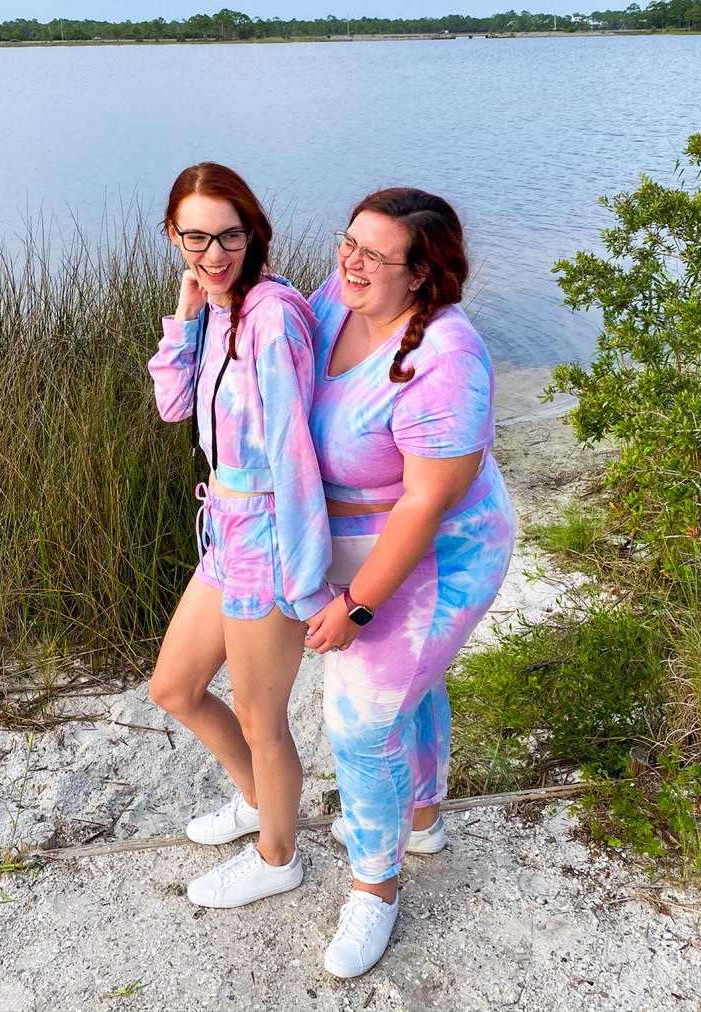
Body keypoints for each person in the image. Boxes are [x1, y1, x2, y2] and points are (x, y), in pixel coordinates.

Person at [304, 188, 516, 978]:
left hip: (440, 556)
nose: (349, 261)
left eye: (373, 254)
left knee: (362, 724)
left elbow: (426, 503)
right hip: (371, 542)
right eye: (348, 241)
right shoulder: (341, 298)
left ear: (422, 274)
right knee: (410, 693)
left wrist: (358, 605)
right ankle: (420, 821)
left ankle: (376, 891)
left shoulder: (446, 360)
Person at [147, 162, 332, 909]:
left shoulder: (273, 317)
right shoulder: (217, 307)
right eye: (196, 237)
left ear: (252, 231)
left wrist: (307, 579)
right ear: (174, 236)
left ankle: (278, 856)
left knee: (261, 717)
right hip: (223, 529)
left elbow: (294, 455)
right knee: (174, 687)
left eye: (229, 236)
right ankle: (259, 803)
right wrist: (186, 311)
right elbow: (173, 406)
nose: (214, 253)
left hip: (268, 535)